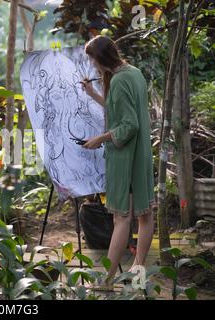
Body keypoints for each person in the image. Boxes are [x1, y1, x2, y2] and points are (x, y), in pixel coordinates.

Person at [80, 35, 156, 289]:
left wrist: (99, 139)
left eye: (92, 60)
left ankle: (107, 280)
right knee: (144, 215)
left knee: (121, 218)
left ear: (101, 58)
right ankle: (138, 270)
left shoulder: (121, 80)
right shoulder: (132, 72)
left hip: (126, 156)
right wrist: (93, 94)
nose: (92, 66)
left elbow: (129, 124)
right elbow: (122, 110)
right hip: (140, 152)